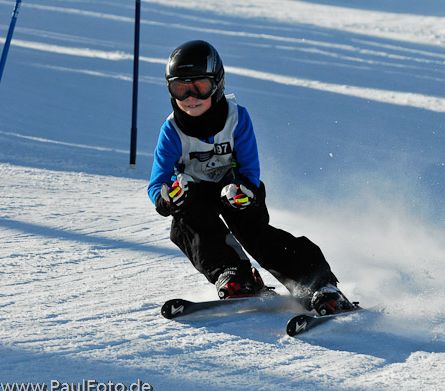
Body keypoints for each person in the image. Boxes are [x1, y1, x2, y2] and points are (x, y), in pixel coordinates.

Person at [148, 40, 353, 315]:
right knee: (187, 225)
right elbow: (156, 184)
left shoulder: (236, 118)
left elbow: (250, 168)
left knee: (257, 235)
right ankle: (235, 275)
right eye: (180, 89)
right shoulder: (171, 130)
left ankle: (318, 285)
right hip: (194, 194)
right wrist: (168, 197)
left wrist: (246, 191)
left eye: (200, 87)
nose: (190, 97)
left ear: (217, 84)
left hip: (236, 191)